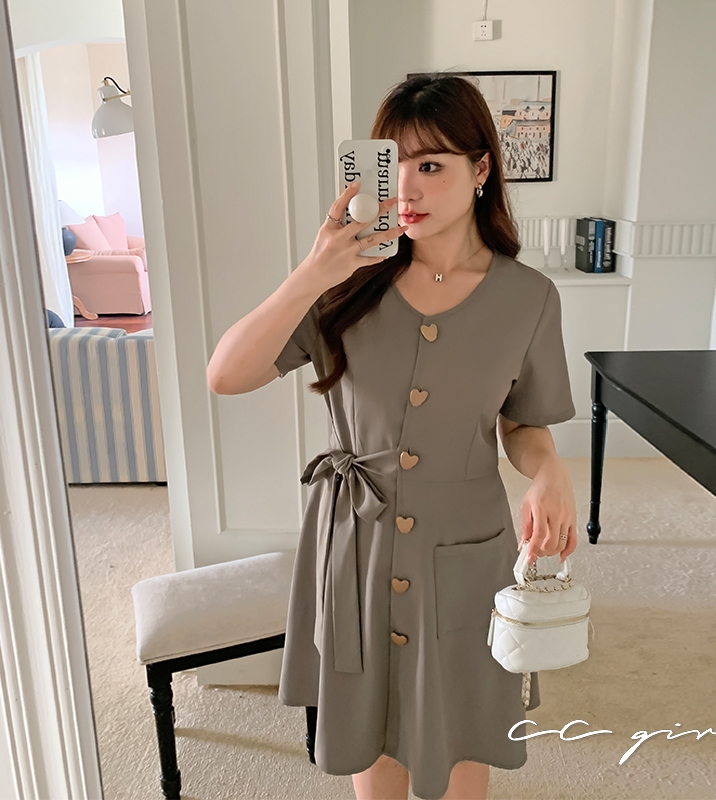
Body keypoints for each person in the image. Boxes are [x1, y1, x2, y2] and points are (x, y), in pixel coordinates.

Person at [207, 73, 577, 800]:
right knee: (368, 730)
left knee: (464, 727)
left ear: (480, 169)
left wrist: (549, 471)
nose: (407, 186)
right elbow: (226, 374)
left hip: (465, 543)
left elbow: (522, 422)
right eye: (395, 162)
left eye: (431, 164)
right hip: (359, 542)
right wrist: (311, 273)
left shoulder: (528, 298)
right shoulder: (346, 284)